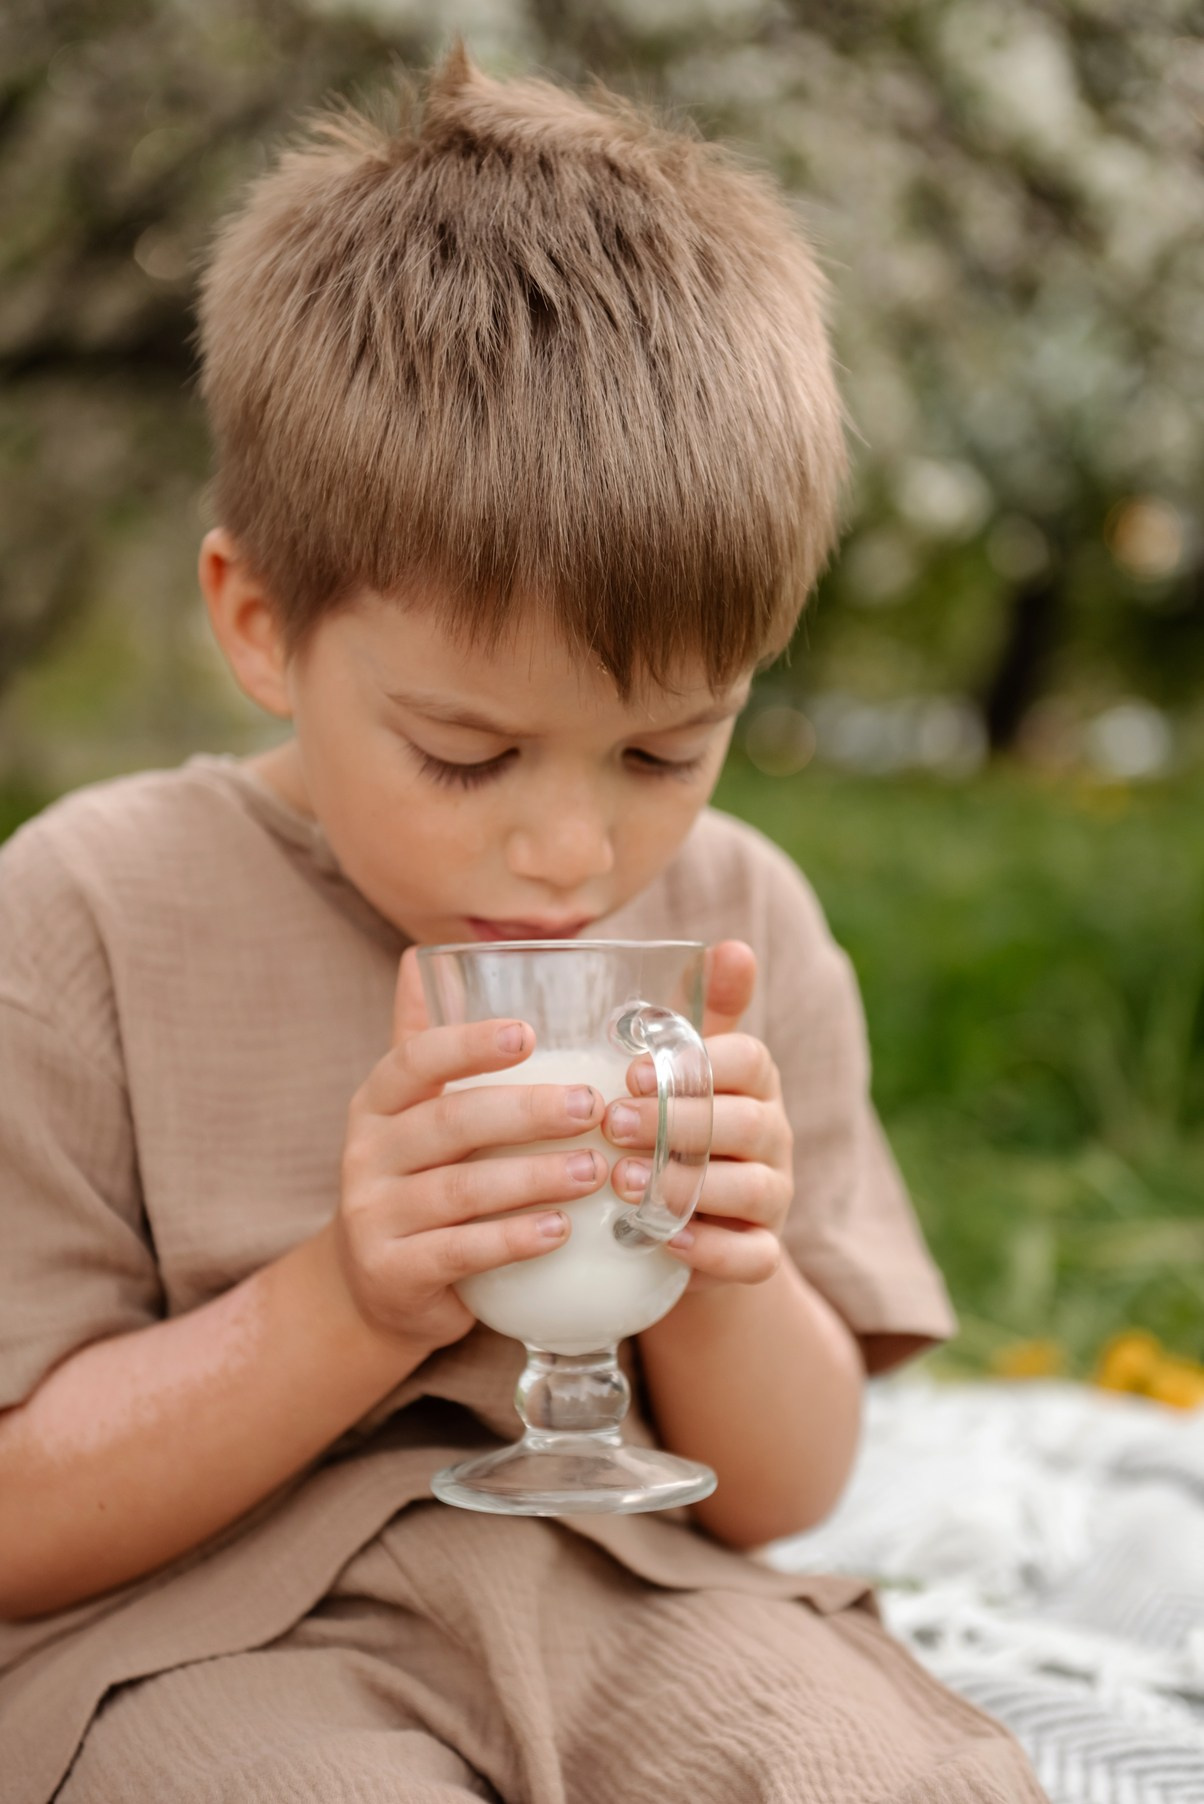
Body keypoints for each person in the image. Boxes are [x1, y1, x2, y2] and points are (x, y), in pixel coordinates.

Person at [0, 45, 1048, 1804]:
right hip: (195, 1632)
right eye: (465, 753)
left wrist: (724, 1263)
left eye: (666, 748)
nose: (572, 850)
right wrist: (350, 1301)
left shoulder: (736, 923)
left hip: (626, 1590)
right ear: (259, 622)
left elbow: (786, 1487)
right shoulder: (83, 917)